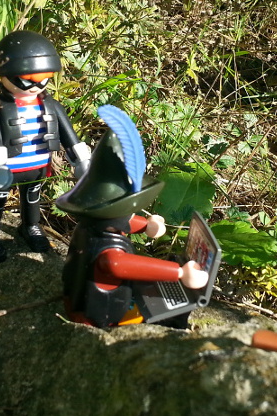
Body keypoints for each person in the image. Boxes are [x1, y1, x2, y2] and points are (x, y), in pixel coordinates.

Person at [57, 106, 207, 327]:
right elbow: (120, 264)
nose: (129, 216)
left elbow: (122, 223)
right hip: (100, 312)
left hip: (82, 298)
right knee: (167, 313)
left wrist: (146, 226)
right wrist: (178, 273)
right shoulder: (108, 252)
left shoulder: (92, 227)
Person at [0, 30, 91, 262]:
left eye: (43, 79)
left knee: (32, 197)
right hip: (5, 167)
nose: (35, 86)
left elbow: (69, 135)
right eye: (27, 80)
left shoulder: (51, 105)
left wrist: (81, 159)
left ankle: (30, 226)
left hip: (37, 165)